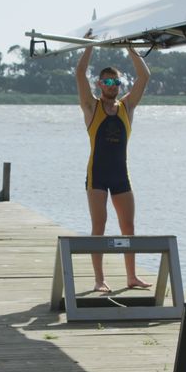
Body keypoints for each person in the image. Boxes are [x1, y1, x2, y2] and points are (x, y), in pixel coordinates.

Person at [74, 42, 152, 292]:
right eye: (107, 82)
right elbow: (79, 73)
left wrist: (130, 47)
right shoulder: (91, 106)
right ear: (100, 85)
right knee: (100, 226)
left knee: (128, 226)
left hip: (120, 176)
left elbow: (144, 76)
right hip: (96, 175)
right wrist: (90, 45)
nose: (112, 86)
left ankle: (131, 276)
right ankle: (99, 279)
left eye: (116, 82)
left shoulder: (127, 107)